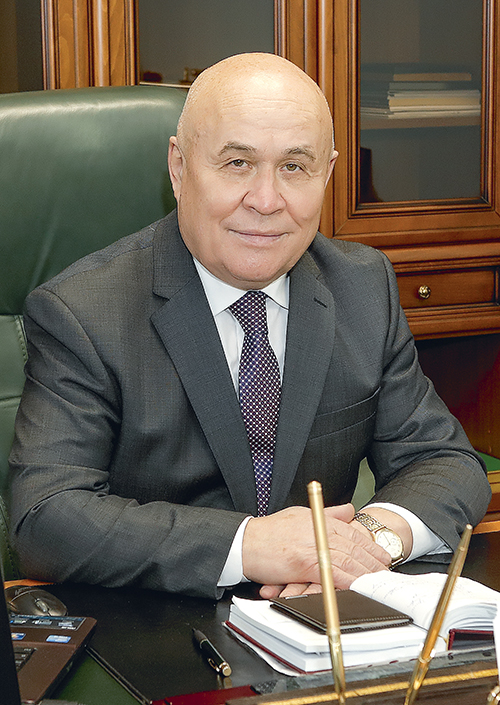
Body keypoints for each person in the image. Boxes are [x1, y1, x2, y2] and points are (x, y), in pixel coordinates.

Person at [9, 53, 490, 600]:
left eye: (294, 167)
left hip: (315, 615)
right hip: (161, 623)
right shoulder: (82, 312)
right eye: (237, 163)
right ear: (179, 167)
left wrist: (362, 543)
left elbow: (444, 461)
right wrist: (249, 546)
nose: (266, 201)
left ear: (328, 174)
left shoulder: (361, 286)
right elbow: (46, 515)